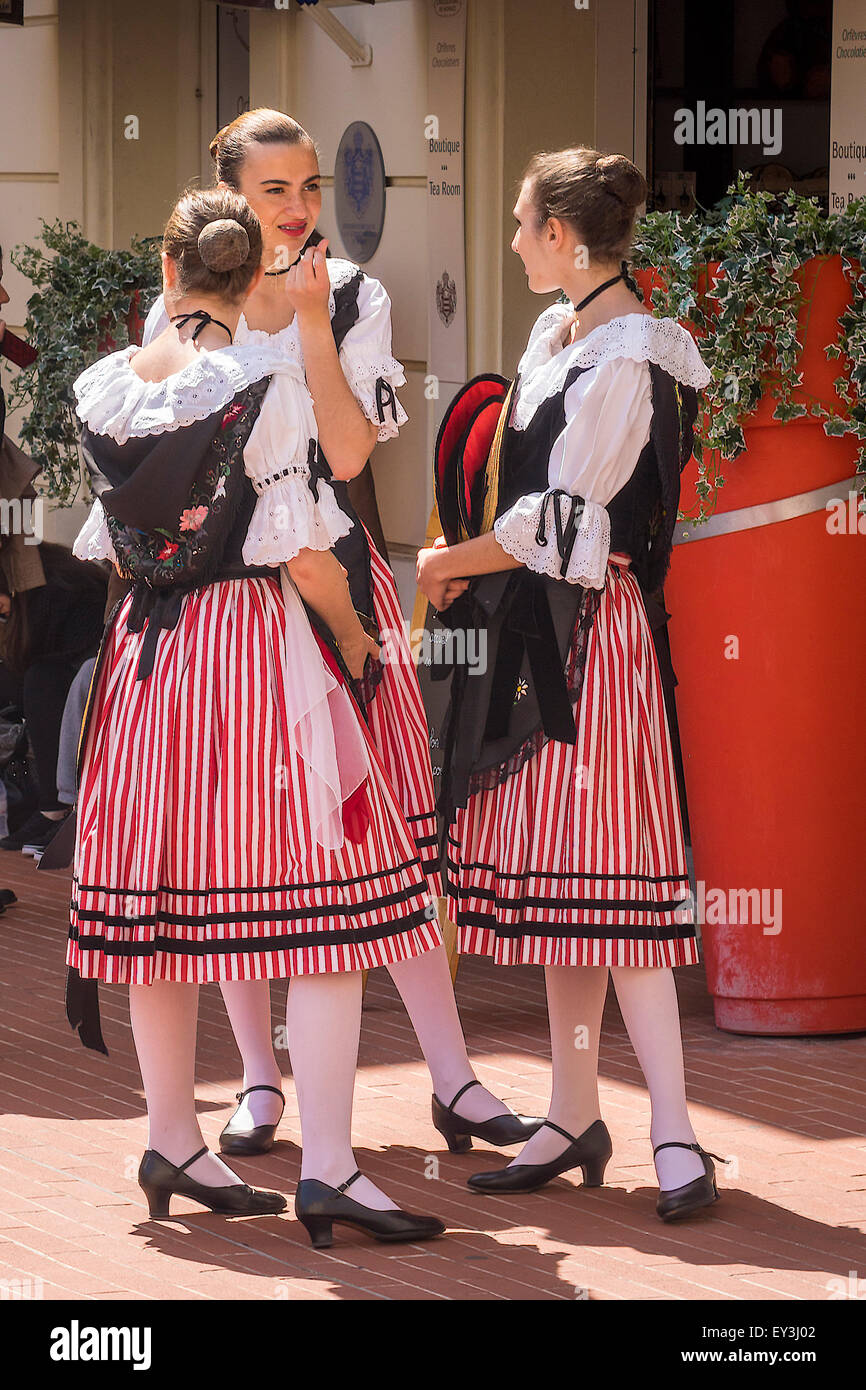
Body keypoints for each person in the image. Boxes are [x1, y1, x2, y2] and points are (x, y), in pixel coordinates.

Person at [140, 109, 539, 1158]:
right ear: (228, 191)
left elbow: (351, 449)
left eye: (309, 187)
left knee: (385, 828)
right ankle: (260, 1082)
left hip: (334, 575)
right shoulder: (183, 306)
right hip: (229, 594)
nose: (300, 209)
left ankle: (449, 1075)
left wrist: (310, 324)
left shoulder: (355, 294)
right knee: (241, 840)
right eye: (276, 190)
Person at [68, 185, 445, 1246]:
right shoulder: (255, 386)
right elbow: (304, 549)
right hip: (252, 653)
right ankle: (326, 1166)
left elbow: (114, 550)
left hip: (148, 662)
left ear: (165, 270)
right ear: (251, 281)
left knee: (165, 920)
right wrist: (362, 643)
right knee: (329, 919)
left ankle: (170, 1138)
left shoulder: (102, 388)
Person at [417, 147, 722, 1223]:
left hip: (594, 634)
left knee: (619, 892)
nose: (509, 241)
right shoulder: (567, 336)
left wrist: (449, 561)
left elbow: (560, 525)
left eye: (519, 223)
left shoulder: (627, 357)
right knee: (567, 893)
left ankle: (675, 1129)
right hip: (549, 630)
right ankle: (571, 1110)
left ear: (563, 238)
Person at [0, 542, 107, 855]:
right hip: (71, 663)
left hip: (90, 666)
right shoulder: (39, 584)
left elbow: (48, 656)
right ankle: (44, 806)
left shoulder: (56, 591)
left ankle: (53, 808)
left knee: (39, 682)